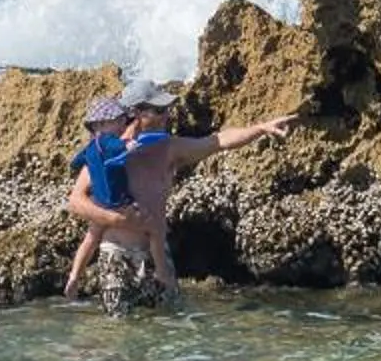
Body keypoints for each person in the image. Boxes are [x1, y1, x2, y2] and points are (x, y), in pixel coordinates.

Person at [108, 80, 297, 299]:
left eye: (167, 108)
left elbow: (219, 141)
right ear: (135, 113)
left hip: (157, 258)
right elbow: (78, 201)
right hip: (117, 255)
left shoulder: (170, 148)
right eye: (159, 110)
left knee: (164, 319)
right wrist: (113, 219)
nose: (167, 115)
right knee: (120, 322)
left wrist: (261, 128)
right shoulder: (107, 150)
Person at [60, 96, 145, 300]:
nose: (122, 124)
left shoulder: (90, 147)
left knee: (90, 240)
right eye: (119, 120)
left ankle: (74, 276)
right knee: (145, 220)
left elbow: (75, 161)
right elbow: (119, 147)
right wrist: (131, 146)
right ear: (101, 124)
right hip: (119, 201)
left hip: (99, 203)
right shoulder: (109, 141)